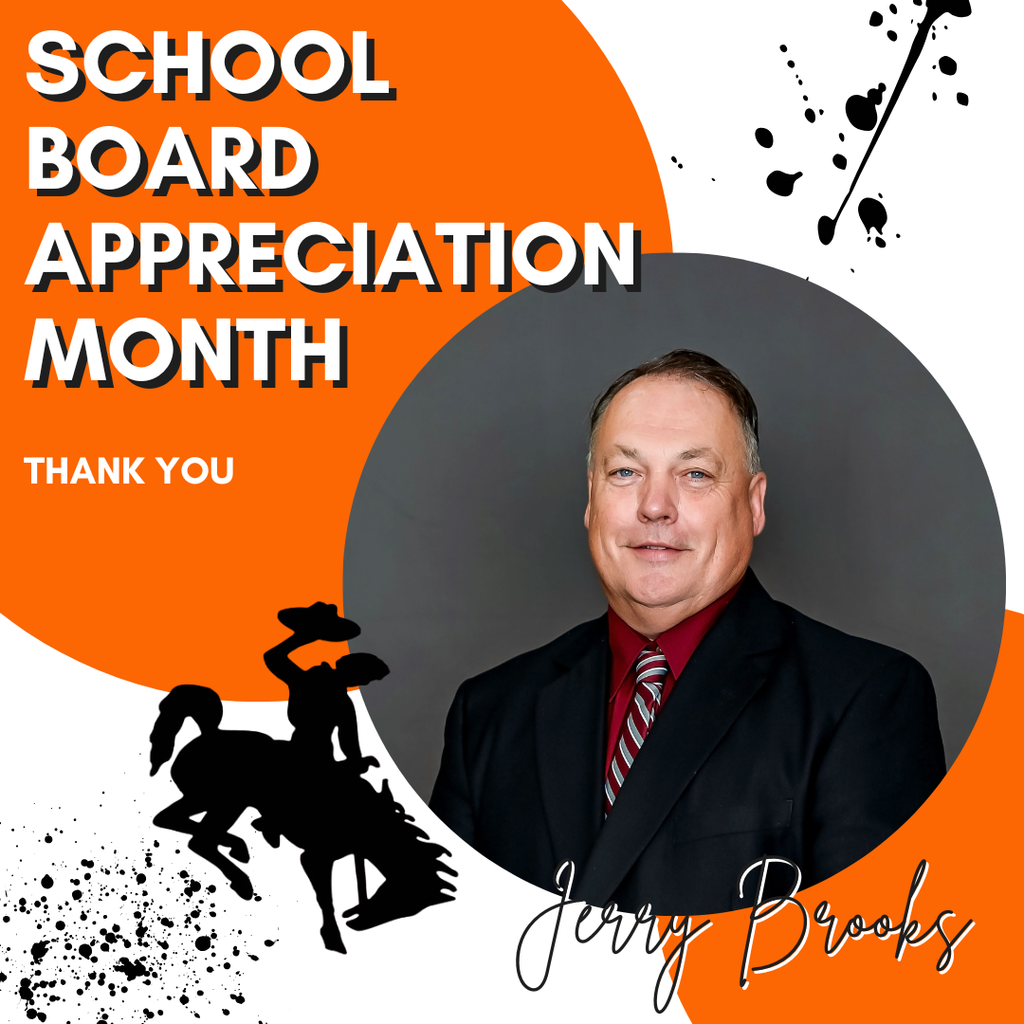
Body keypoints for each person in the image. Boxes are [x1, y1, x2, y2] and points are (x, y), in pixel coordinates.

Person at [429, 349, 946, 914]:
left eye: (695, 474)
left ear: (753, 505)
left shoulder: (866, 700)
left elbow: (867, 973)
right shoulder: (488, 713)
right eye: (625, 472)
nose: (654, 506)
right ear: (591, 499)